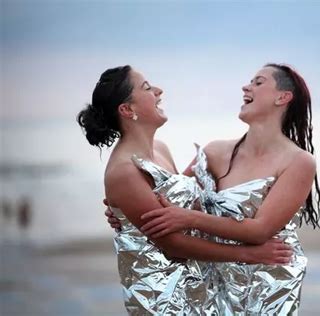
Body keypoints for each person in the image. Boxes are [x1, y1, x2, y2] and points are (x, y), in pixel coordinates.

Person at [77, 65, 292, 315]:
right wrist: (251, 254)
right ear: (127, 110)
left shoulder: (161, 148)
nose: (158, 91)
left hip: (199, 287)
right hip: (163, 297)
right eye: (147, 88)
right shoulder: (124, 170)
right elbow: (172, 244)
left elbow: (182, 207)